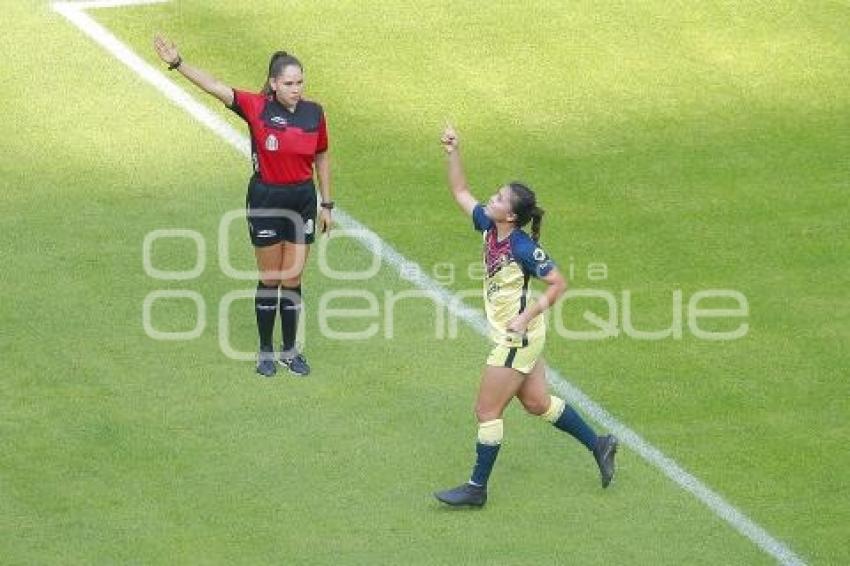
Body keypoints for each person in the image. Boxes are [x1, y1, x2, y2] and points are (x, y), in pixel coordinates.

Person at [434, 125, 618, 507]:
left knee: (486, 410)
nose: (491, 198)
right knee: (537, 403)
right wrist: (454, 151)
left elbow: (558, 284)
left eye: (499, 198)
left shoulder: (522, 246)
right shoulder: (488, 226)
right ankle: (599, 444)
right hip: (520, 334)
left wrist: (524, 317)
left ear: (512, 216)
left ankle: (476, 489)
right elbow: (460, 192)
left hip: (517, 338)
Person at [153, 36, 333, 377]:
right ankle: (266, 349)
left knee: (292, 279)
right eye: (289, 83)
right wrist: (178, 63)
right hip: (267, 200)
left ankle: (290, 350)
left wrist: (327, 203)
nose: (296, 89)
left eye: (300, 82)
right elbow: (214, 86)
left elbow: (322, 155)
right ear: (274, 83)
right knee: (270, 278)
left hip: (302, 200)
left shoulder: (314, 114)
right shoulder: (257, 107)